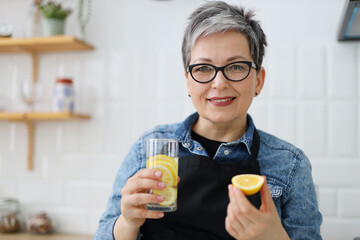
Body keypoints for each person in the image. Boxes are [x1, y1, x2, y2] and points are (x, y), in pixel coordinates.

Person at [94, 1, 322, 239]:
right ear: (188, 82)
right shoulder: (148, 149)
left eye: (235, 66)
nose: (219, 83)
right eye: (203, 68)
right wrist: (127, 223)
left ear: (258, 80)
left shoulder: (290, 165)